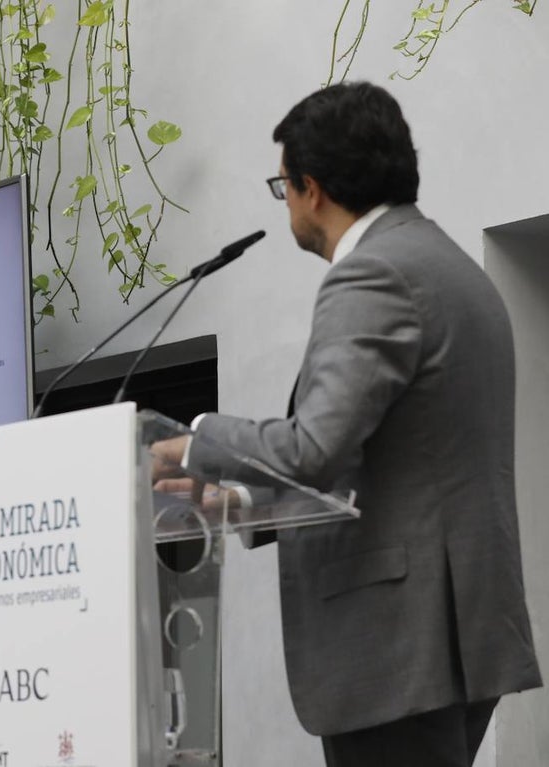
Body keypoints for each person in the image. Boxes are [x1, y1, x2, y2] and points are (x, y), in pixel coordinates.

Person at [152, 82, 541, 767]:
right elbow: (382, 459)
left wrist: (197, 441)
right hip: (452, 635)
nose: (288, 207)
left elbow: (315, 448)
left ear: (314, 189)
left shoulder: (373, 274)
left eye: (283, 188)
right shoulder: (452, 268)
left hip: (397, 644)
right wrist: (236, 502)